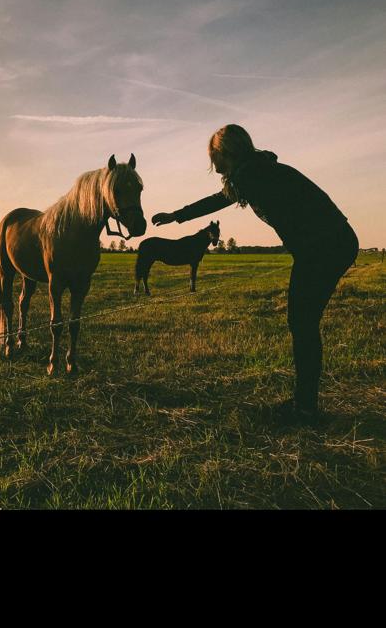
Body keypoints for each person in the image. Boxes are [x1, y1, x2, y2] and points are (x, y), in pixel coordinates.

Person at [152, 125, 359, 424]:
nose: (213, 165)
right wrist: (178, 215)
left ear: (227, 152)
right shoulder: (257, 169)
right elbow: (222, 197)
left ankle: (305, 409)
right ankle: (305, 404)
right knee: (303, 322)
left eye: (214, 156)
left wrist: (177, 215)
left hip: (325, 247)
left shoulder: (252, 174)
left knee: (301, 322)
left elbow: (218, 200)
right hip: (331, 243)